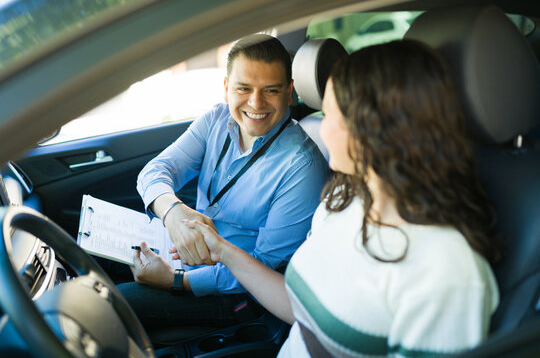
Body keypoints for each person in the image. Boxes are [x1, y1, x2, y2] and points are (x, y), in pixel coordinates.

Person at [182, 39, 501, 357]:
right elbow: (302, 310)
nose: (321, 128)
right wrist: (222, 251)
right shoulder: (345, 199)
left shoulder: (446, 272)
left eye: (331, 114)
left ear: (377, 129)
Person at [118, 34, 329, 330]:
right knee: (95, 269)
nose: (256, 103)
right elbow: (155, 171)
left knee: (111, 304)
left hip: (236, 293)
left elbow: (264, 265)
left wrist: (175, 281)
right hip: (182, 252)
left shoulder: (302, 166)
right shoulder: (216, 120)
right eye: (244, 88)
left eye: (271, 90)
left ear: (289, 91)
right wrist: (172, 212)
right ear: (227, 87)